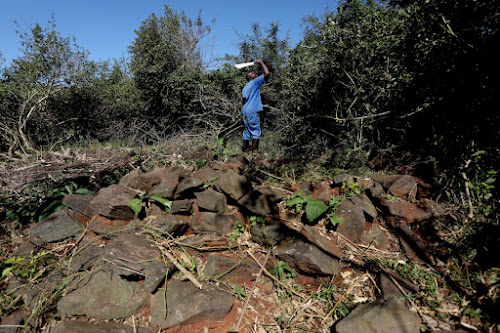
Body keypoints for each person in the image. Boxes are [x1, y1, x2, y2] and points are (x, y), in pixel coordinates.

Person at [241, 59, 270, 153]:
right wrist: (261, 62)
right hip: (253, 111)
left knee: (246, 133)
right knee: (256, 132)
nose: (256, 75)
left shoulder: (246, 87)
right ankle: (254, 155)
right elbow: (267, 73)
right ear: (252, 77)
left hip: (245, 112)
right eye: (254, 74)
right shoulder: (255, 82)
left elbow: (244, 100)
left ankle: (245, 154)